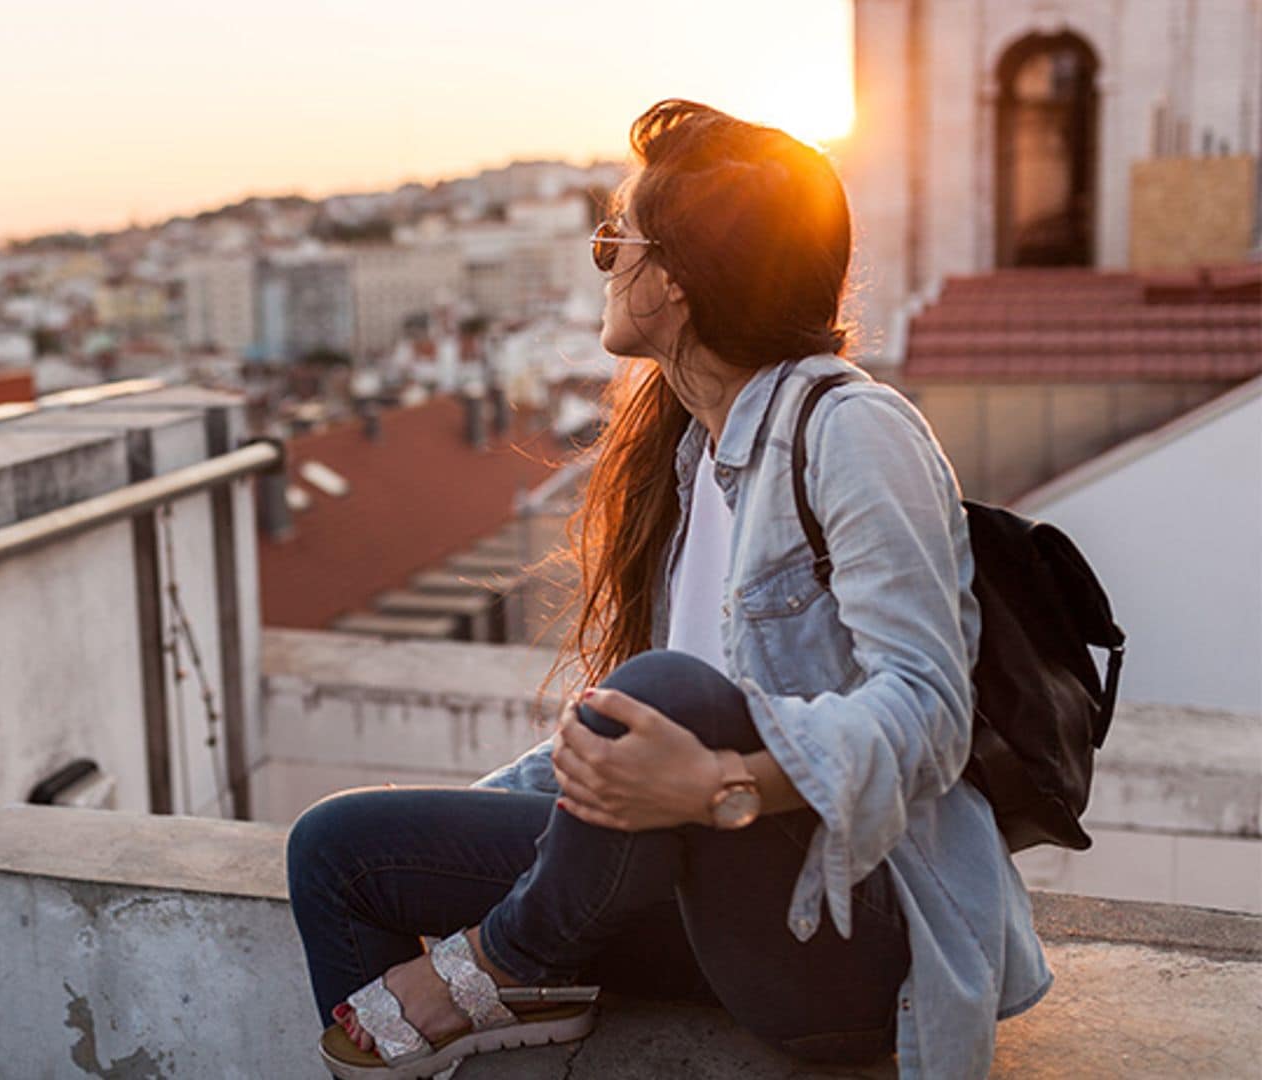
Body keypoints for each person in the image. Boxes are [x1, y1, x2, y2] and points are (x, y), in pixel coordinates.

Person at [285, 100, 1051, 1080]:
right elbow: (621, 752)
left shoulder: (854, 430)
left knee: (667, 697)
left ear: (679, 281)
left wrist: (723, 787)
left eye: (616, 239)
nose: (602, 262)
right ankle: (508, 969)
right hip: (714, 910)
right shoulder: (695, 456)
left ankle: (502, 966)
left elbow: (930, 710)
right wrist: (478, 824)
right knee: (338, 852)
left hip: (855, 941)